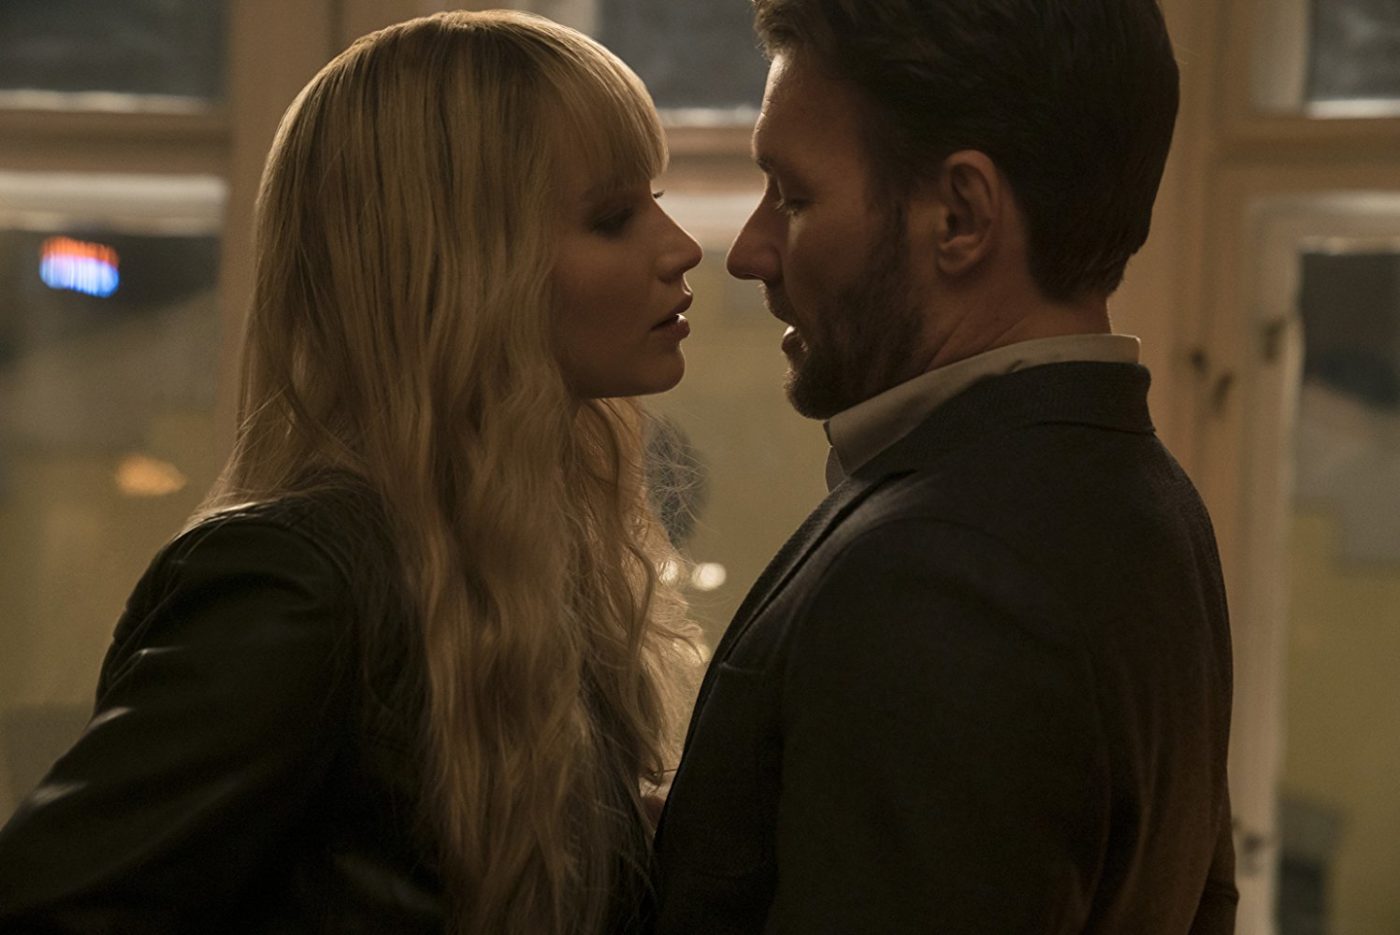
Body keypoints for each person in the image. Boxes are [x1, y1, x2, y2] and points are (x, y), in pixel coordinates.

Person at [0, 10, 704, 934]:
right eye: (613, 218)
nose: (681, 246)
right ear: (460, 266)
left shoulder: (536, 569)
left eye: (654, 199)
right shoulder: (298, 581)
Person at [648, 0, 1237, 932]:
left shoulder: (941, 575)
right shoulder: (1145, 500)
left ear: (960, 216)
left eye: (794, 198)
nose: (751, 252)